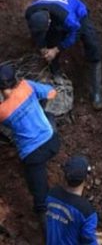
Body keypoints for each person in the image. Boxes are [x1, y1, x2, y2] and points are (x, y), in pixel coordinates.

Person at [0, 63, 60, 224]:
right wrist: (36, 105)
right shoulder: (27, 86)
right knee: (47, 115)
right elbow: (52, 93)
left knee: (40, 201)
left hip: (32, 155)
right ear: (15, 79)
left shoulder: (2, 111)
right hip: (53, 141)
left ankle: (48, 232)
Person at [25, 0, 102, 110]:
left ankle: (96, 91)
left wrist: (57, 49)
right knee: (51, 41)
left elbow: (76, 31)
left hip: (77, 13)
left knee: (92, 43)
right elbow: (36, 33)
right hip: (52, 13)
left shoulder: (67, 18)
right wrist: (43, 48)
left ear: (49, 22)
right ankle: (56, 76)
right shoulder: (30, 13)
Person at [45, 155, 97, 244]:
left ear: (64, 176)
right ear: (86, 179)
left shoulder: (51, 195)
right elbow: (88, 240)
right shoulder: (87, 212)